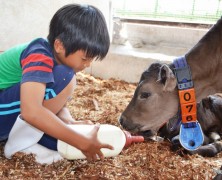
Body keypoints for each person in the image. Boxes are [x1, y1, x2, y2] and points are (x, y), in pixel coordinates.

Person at [0, 3, 113, 161]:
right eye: (84, 58)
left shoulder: (54, 59)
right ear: (59, 45)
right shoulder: (39, 55)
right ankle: (20, 144)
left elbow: (55, 103)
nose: (87, 65)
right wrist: (80, 141)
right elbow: (31, 111)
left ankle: (30, 137)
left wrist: (69, 122)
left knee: (65, 78)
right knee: (66, 76)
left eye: (91, 59)